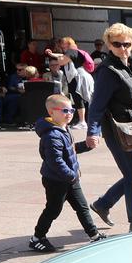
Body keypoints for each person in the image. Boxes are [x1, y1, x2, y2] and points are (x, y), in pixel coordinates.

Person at [87, 23, 132, 232]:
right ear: (109, 45)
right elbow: (97, 105)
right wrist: (93, 132)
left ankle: (103, 204)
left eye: (127, 44)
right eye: (117, 44)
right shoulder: (107, 71)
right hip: (119, 131)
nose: (123, 48)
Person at [28, 94, 106, 253]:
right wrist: (71, 175)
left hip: (70, 178)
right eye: (64, 110)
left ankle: (94, 235)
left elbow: (69, 150)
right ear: (51, 112)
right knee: (53, 209)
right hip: (56, 180)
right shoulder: (51, 135)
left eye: (71, 109)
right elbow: (55, 161)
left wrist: (86, 145)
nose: (69, 113)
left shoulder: (63, 128)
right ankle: (37, 238)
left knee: (82, 206)